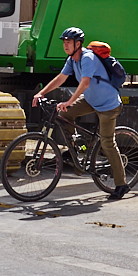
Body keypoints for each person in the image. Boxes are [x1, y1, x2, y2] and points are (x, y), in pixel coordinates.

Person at [31, 26, 129, 200]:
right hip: (91, 100)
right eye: (64, 42)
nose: (65, 45)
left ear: (78, 44)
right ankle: (76, 148)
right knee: (64, 115)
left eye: (69, 42)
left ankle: (122, 184)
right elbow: (60, 78)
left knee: (107, 143)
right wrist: (41, 93)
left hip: (108, 105)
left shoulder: (88, 58)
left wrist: (69, 101)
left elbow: (84, 83)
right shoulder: (71, 60)